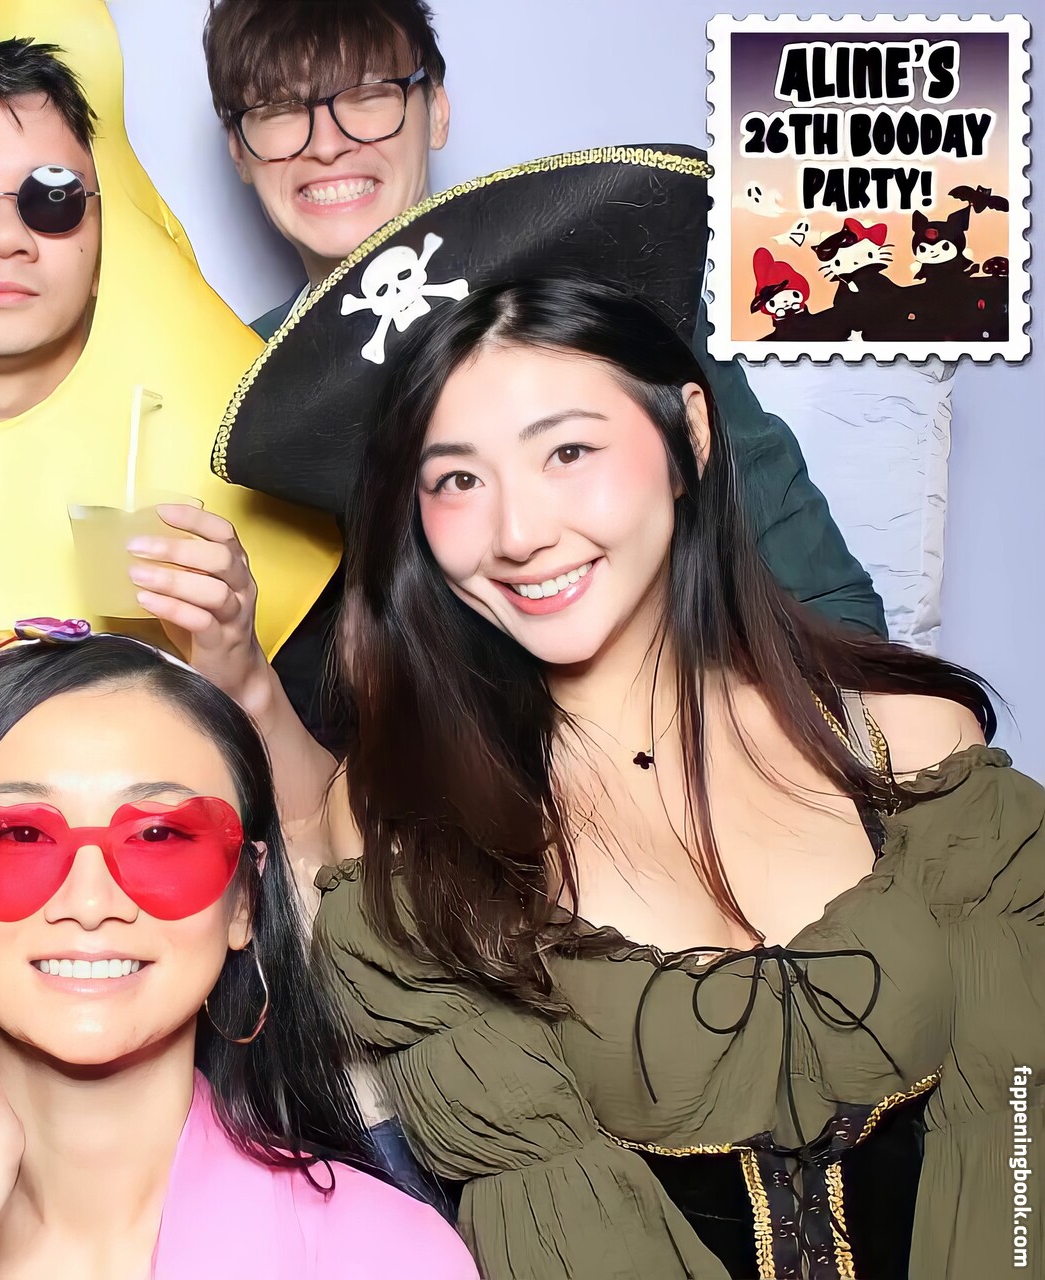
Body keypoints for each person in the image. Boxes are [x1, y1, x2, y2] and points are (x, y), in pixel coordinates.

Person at [312, 276, 1039, 1279]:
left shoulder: (906, 738)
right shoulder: (410, 822)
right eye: (459, 481)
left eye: (569, 452)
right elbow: (553, 1224)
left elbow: (1017, 1128)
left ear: (688, 433)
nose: (518, 532)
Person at [198, 0, 888, 735]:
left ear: (436, 109)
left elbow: (831, 615)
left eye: (368, 95)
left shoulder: (602, 302)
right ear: (238, 148)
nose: (328, 144)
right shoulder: (232, 394)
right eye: (280, 111)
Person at [0, 635, 479, 1280]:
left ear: (244, 901)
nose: (90, 902)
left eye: (159, 836)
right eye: (21, 836)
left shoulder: (388, 1254)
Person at [0, 2, 340, 755]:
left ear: (103, 232)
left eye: (51, 199)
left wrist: (240, 673)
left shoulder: (249, 467)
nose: (2, 239)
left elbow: (330, 810)